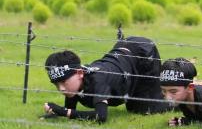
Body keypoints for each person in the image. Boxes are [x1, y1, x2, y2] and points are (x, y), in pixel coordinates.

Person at [43, 36, 171, 123]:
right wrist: (57, 112)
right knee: (133, 106)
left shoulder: (97, 80)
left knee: (144, 109)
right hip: (124, 53)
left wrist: (63, 111)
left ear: (80, 73)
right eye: (56, 84)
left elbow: (101, 117)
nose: (61, 89)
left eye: (64, 82)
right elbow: (70, 108)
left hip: (143, 53)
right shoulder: (75, 83)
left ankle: (181, 98)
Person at [159, 58, 202, 126]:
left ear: (190, 88)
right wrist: (185, 121)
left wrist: (188, 122)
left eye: (173, 92)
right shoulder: (182, 98)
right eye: (164, 91)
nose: (167, 97)